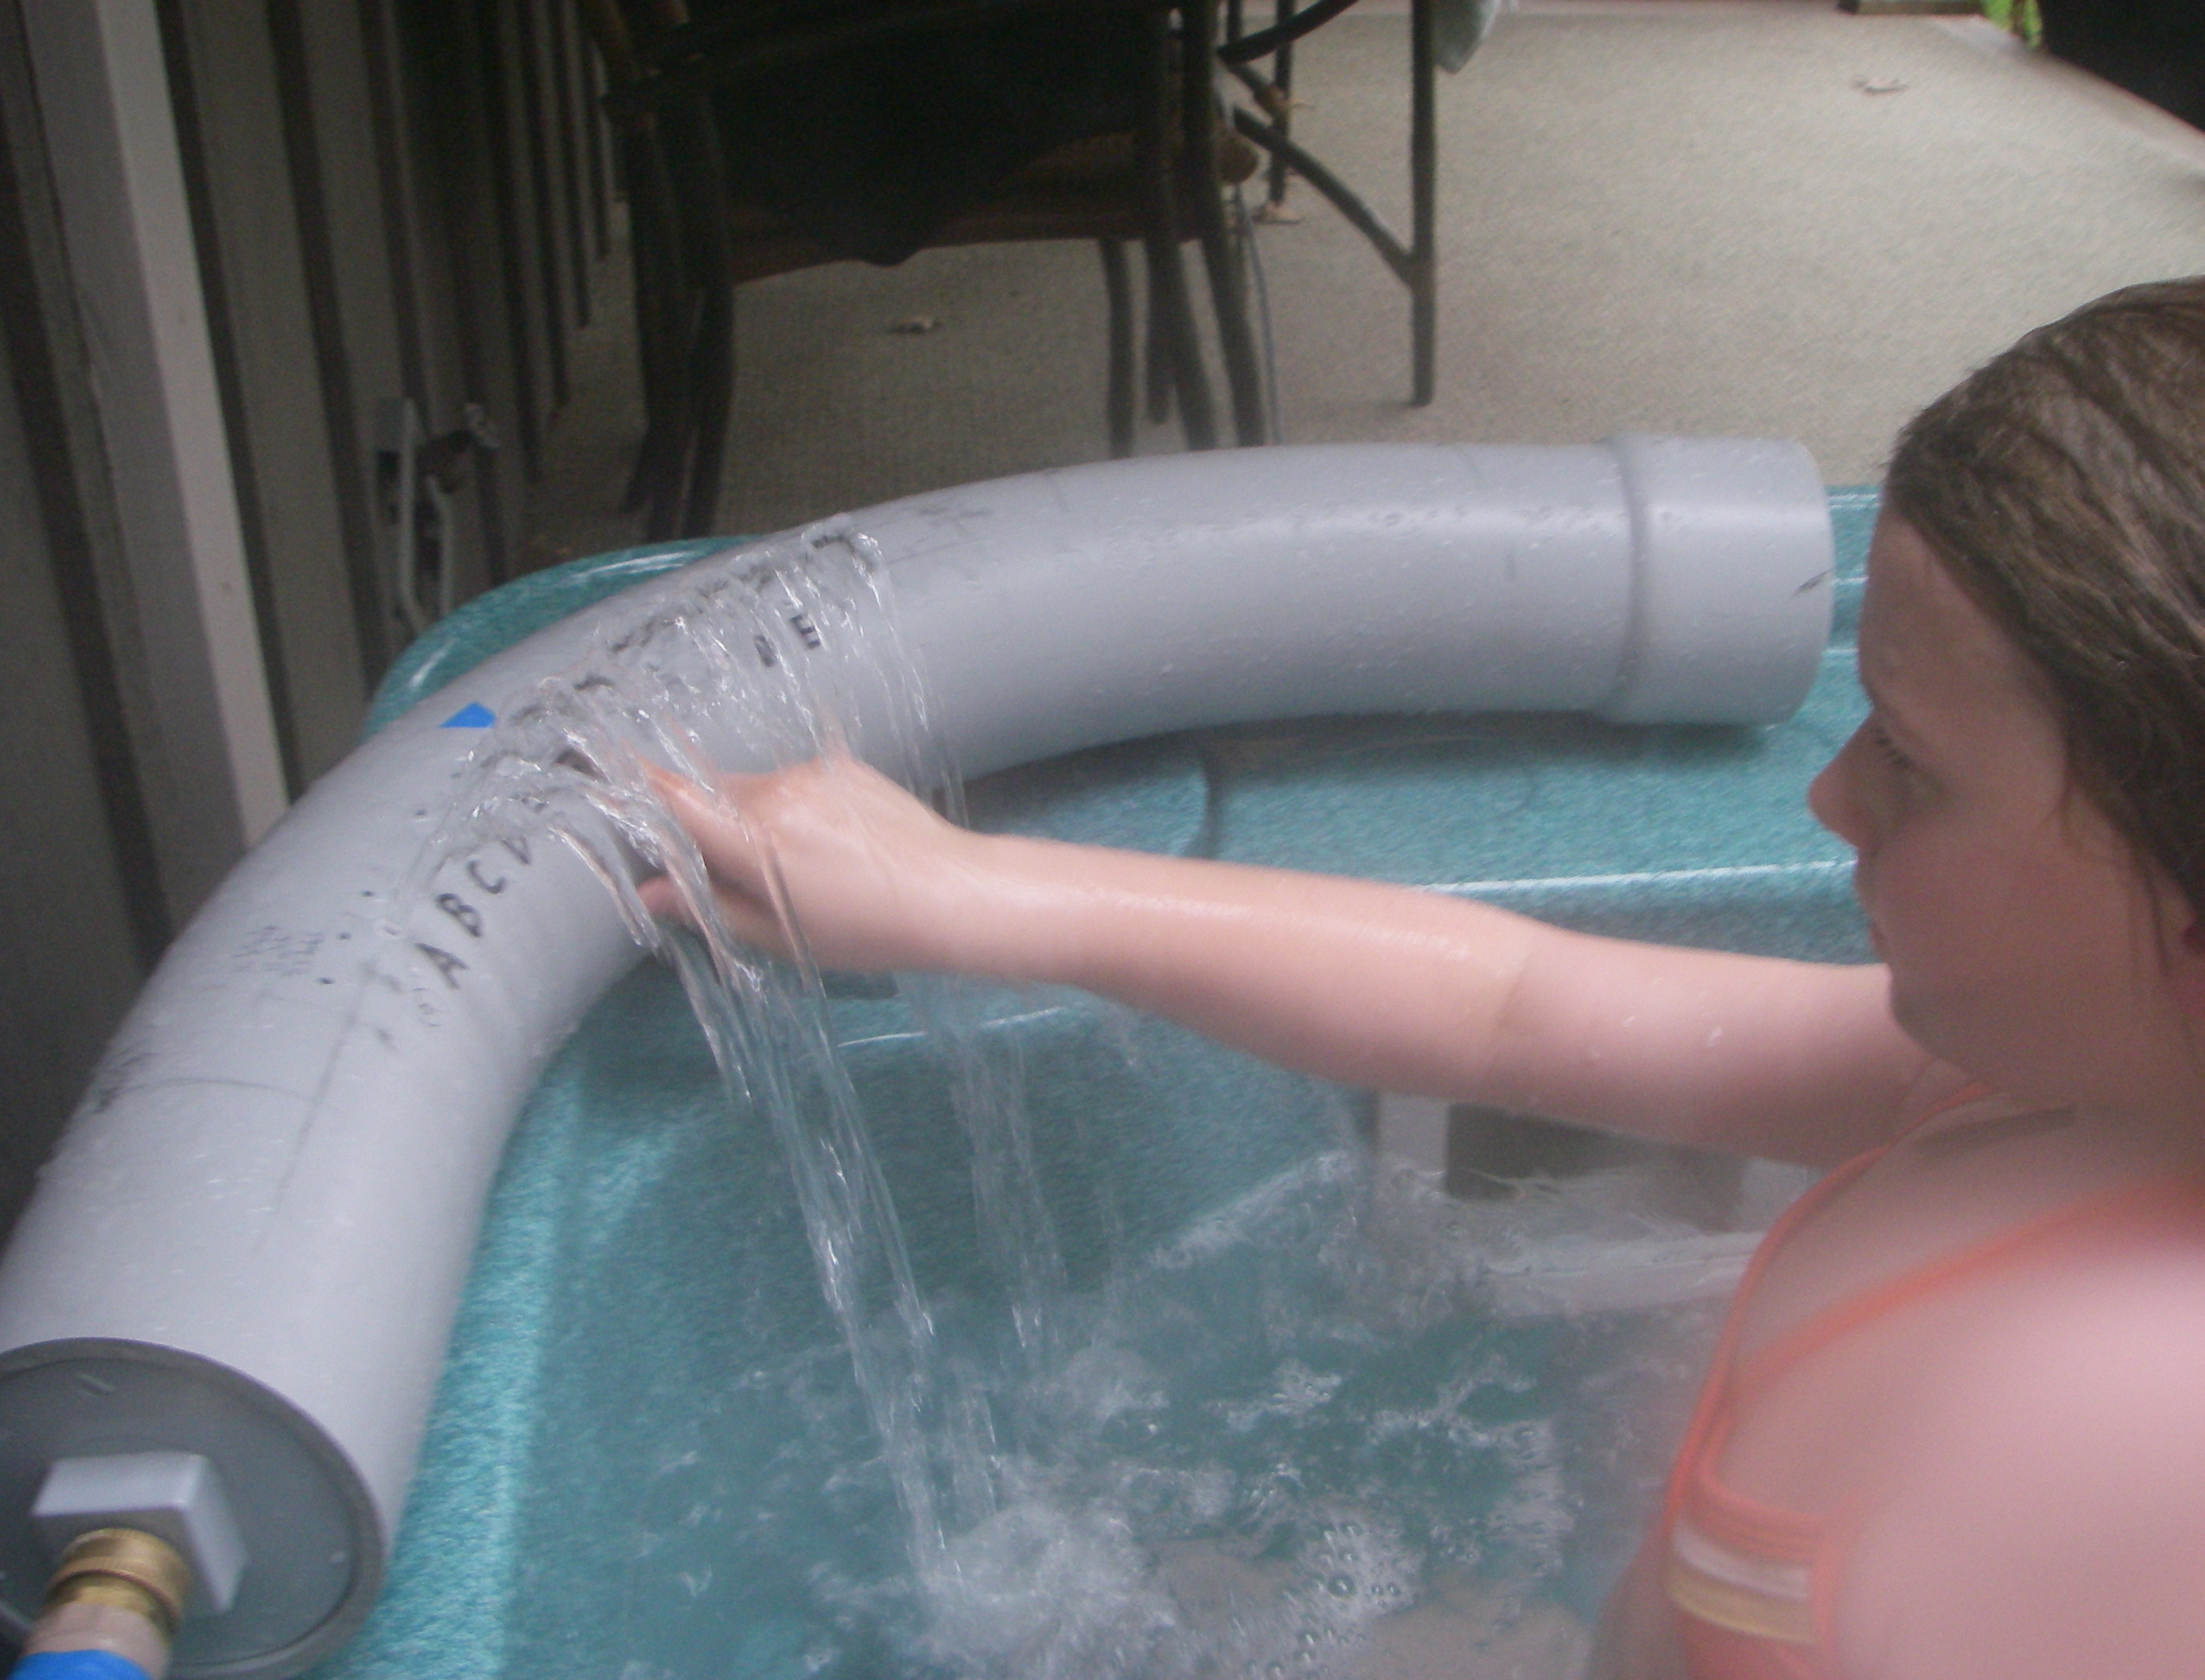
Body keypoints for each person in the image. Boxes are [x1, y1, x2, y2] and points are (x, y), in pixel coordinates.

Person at [645, 278, 2205, 1679]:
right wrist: (968, 890)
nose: (1831, 795)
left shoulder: (2106, 1468)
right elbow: (1517, 1009)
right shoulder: (2044, 1081)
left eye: (1913, 764)